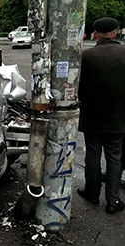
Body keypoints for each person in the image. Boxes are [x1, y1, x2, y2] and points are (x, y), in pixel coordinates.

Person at [77, 17, 125, 214]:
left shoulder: (87, 55)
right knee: (115, 158)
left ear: (96, 34)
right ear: (115, 33)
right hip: (118, 118)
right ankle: (113, 201)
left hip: (92, 118)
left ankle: (92, 193)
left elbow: (80, 88)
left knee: (93, 156)